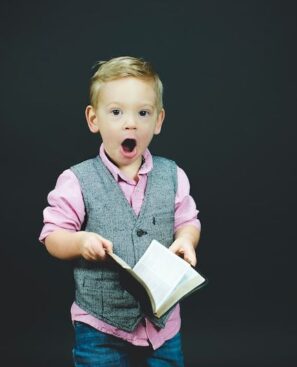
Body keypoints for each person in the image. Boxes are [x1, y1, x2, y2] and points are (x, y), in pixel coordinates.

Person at [39, 56, 201, 367]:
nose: (131, 123)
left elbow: (188, 220)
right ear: (93, 119)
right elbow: (52, 236)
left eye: (143, 113)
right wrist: (79, 241)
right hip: (100, 325)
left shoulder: (173, 175)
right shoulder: (77, 180)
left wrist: (186, 239)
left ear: (158, 121)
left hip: (162, 326)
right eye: (116, 112)